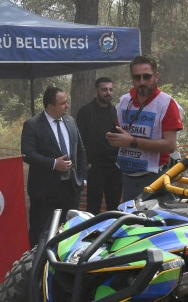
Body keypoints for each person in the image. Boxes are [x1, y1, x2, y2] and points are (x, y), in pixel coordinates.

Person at [106, 54, 183, 202]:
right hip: (127, 177)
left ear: (156, 76)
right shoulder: (124, 101)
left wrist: (132, 141)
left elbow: (170, 145)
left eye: (147, 76)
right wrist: (114, 138)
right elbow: (120, 133)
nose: (142, 82)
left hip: (155, 177)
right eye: (137, 77)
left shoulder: (166, 103)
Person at [21, 86, 87, 247]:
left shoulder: (70, 122)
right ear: (50, 106)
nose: (67, 105)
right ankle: (37, 261)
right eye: (63, 103)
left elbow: (80, 151)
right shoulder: (33, 125)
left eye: (67, 102)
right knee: (41, 232)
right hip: (44, 192)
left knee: (69, 232)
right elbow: (27, 154)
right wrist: (53, 164)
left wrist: (81, 179)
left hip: (71, 189)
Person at [76, 77, 121, 214]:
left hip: (114, 167)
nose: (108, 93)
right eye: (104, 90)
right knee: (93, 207)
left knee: (114, 207)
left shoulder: (116, 111)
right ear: (96, 91)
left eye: (111, 90)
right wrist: (85, 162)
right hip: (94, 168)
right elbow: (78, 140)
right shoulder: (85, 112)